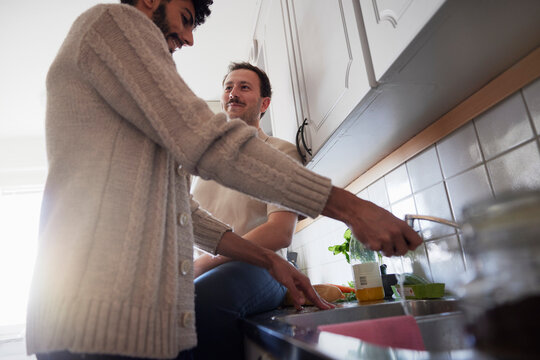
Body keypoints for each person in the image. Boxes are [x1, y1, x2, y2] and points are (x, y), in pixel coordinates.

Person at [26, 0, 422, 359]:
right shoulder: (114, 22)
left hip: (108, 316)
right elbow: (206, 139)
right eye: (186, 17)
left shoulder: (136, 95)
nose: (189, 37)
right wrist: (352, 208)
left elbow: (186, 211)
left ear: (264, 102)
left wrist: (266, 259)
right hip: (94, 316)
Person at [191, 62, 303, 359]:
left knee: (201, 299)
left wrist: (207, 262)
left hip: (262, 268)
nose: (233, 93)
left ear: (264, 103)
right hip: (202, 268)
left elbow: (280, 232)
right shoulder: (205, 162)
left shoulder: (280, 152)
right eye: (228, 87)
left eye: (244, 87)